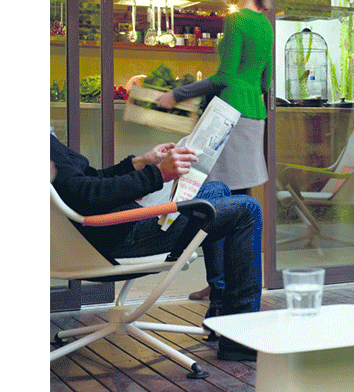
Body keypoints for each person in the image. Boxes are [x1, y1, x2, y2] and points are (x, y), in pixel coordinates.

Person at [50, 133, 262, 361]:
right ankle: (239, 338)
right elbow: (85, 194)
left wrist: (140, 162)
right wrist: (158, 174)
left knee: (216, 190)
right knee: (248, 209)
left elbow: (89, 180)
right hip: (116, 235)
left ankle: (222, 309)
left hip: (111, 229)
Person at [155, 0, 273, 304]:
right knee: (242, 203)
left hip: (228, 114)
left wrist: (177, 94)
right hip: (254, 115)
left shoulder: (236, 21)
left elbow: (224, 77)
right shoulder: (265, 23)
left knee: (213, 199)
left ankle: (219, 283)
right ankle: (236, 284)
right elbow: (264, 80)